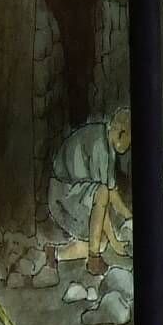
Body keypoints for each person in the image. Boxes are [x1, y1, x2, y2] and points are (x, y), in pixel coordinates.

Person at [50, 107, 133, 273]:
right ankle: (94, 259)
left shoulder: (107, 143)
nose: (129, 146)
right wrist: (115, 242)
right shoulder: (99, 144)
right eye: (130, 140)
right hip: (63, 196)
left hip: (78, 195)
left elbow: (112, 191)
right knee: (102, 206)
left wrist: (129, 217)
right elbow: (102, 196)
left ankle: (55, 254)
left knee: (101, 241)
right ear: (121, 133)